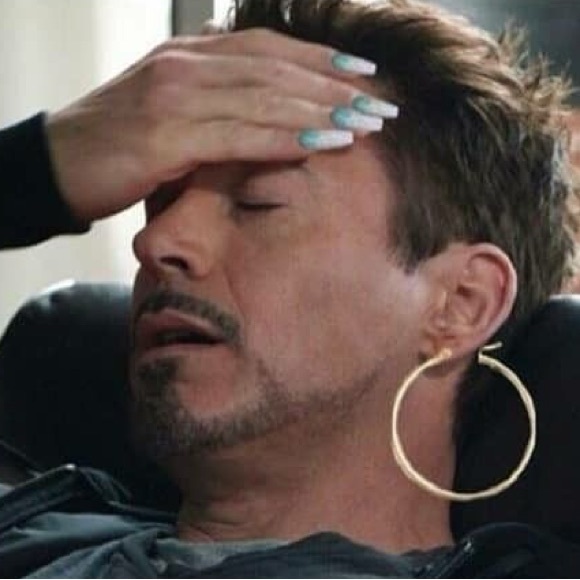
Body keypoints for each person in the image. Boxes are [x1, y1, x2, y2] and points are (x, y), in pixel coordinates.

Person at [1, 0, 579, 576]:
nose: (156, 240)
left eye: (258, 203)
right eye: (162, 201)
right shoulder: (35, 526)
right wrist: (37, 168)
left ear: (461, 303)